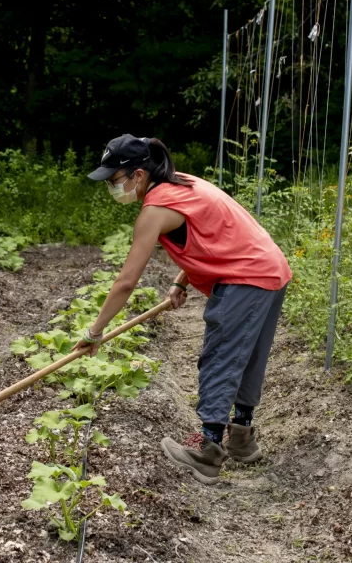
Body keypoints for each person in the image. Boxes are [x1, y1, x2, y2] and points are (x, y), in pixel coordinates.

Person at [74, 134, 292, 485]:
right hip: (269, 267)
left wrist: (94, 331)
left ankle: (207, 450)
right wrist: (180, 281)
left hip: (247, 276)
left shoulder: (155, 210)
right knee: (248, 356)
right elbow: (213, 236)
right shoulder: (182, 184)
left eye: (115, 179)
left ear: (139, 175)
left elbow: (126, 282)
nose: (112, 187)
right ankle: (242, 438)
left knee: (220, 356)